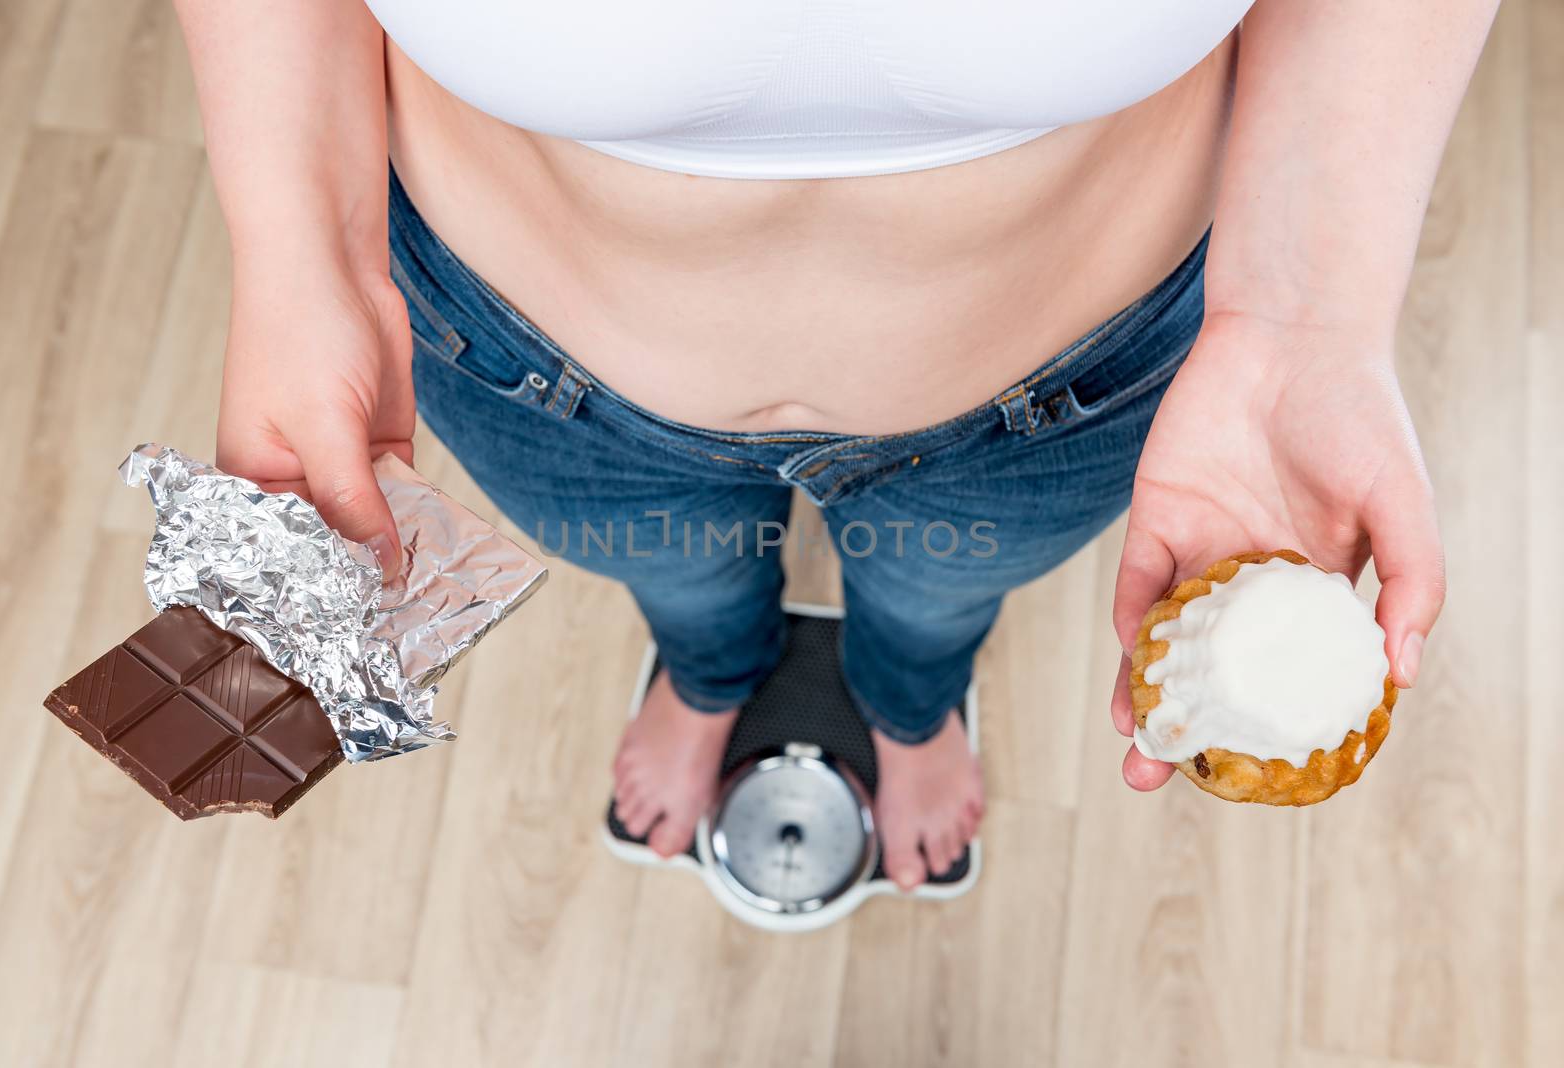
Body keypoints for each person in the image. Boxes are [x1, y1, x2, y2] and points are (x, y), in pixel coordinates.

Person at [176, 0, 1483, 889]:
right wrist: (302, 252)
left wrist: (1311, 318)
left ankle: (913, 711)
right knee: (680, 582)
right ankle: (706, 675)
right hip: (538, 362)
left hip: (1063, 381)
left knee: (939, 598)